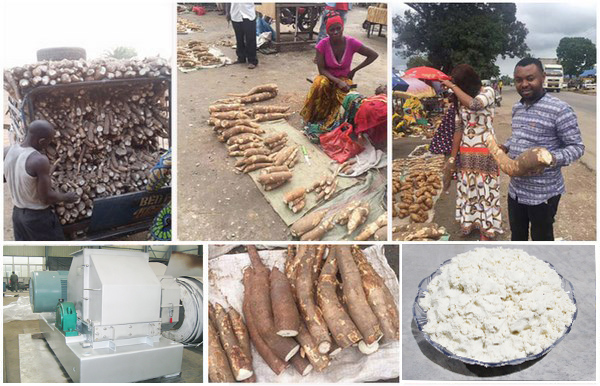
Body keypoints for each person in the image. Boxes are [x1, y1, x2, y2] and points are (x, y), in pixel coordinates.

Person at [501, 57, 584, 241]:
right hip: (516, 190)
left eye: (530, 78)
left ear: (543, 77)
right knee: (517, 236)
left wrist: (551, 158)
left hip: (543, 194)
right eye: (518, 80)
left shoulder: (560, 110)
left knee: (542, 239)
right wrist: (505, 146)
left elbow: (577, 147)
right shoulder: (517, 107)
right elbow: (517, 136)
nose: (524, 84)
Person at [441, 64, 502, 240]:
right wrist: (452, 158)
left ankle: (487, 228)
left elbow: (475, 105)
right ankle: (469, 224)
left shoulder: (488, 92)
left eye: (459, 84)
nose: (457, 88)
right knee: (468, 188)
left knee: (486, 189)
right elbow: (458, 129)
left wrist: (453, 87)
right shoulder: (460, 100)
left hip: (486, 149)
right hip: (467, 152)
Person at [4, 120, 78, 241]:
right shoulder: (38, 160)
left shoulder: (7, 151)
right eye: (48, 143)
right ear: (41, 141)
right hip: (37, 217)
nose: (47, 146)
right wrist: (66, 197)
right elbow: (46, 197)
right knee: (55, 253)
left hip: (17, 214)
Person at [301, 14, 378, 130]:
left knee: (352, 100)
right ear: (327, 32)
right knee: (319, 84)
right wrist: (337, 81)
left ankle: (339, 121)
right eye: (332, 30)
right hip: (327, 76)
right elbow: (321, 69)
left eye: (338, 28)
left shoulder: (351, 42)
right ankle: (312, 117)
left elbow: (373, 55)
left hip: (344, 77)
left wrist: (354, 70)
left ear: (342, 28)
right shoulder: (322, 45)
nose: (336, 32)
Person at [226, 3, 258, 69]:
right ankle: (241, 58)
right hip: (235, 14)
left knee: (250, 38)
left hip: (248, 14)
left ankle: (252, 60)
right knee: (239, 37)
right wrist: (227, 12)